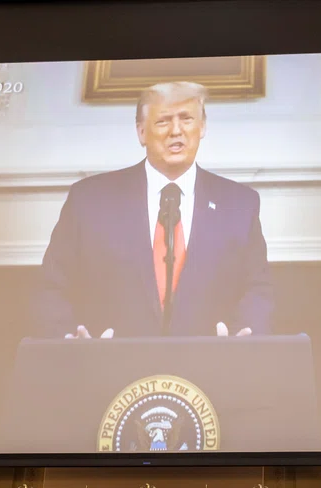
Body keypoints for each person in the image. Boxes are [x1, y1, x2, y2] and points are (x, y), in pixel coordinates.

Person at [33, 81, 274, 340]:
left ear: (202, 127)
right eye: (163, 121)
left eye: (187, 119)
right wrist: (69, 339)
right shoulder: (89, 200)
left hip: (208, 371)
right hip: (110, 370)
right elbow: (52, 288)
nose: (176, 131)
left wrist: (245, 335)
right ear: (141, 133)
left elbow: (258, 289)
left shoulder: (239, 204)